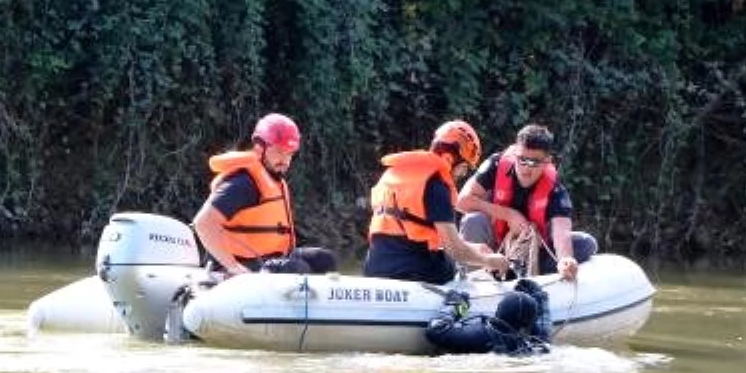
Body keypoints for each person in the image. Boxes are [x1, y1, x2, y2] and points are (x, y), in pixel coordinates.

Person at [364, 120, 511, 284]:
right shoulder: (436, 186)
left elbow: (410, 231)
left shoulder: (393, 174)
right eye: (463, 168)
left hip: (374, 267)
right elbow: (456, 250)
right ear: (449, 158)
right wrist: (490, 261)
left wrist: (477, 249)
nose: (461, 175)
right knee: (449, 264)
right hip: (412, 272)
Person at [192, 113, 337, 276]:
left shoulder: (273, 178)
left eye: (290, 154)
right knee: (297, 269)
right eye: (279, 152)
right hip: (239, 265)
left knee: (324, 259)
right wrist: (233, 267)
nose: (286, 161)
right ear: (260, 147)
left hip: (270, 259)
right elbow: (203, 223)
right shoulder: (243, 183)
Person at [456, 123, 596, 281]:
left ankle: (530, 275)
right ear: (515, 152)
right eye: (522, 159)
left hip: (532, 253)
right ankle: (475, 280)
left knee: (587, 243)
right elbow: (461, 201)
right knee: (473, 220)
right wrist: (508, 214)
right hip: (492, 248)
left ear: (547, 161)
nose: (526, 168)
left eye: (534, 162)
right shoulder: (496, 164)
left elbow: (561, 232)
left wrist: (566, 260)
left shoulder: (555, 189)